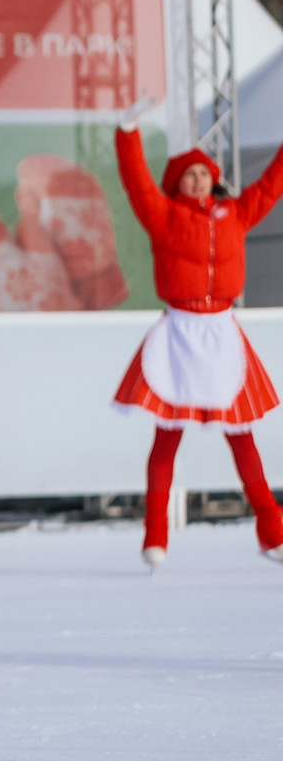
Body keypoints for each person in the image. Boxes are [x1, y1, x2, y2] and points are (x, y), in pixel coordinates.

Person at [108, 107, 283, 567]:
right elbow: (136, 182)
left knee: (242, 436)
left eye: (205, 172)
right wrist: (128, 133)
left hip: (221, 331)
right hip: (179, 333)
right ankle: (156, 535)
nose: (199, 180)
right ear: (177, 182)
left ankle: (272, 528)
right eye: (190, 174)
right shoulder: (163, 216)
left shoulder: (235, 213)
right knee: (167, 436)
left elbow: (271, 184)